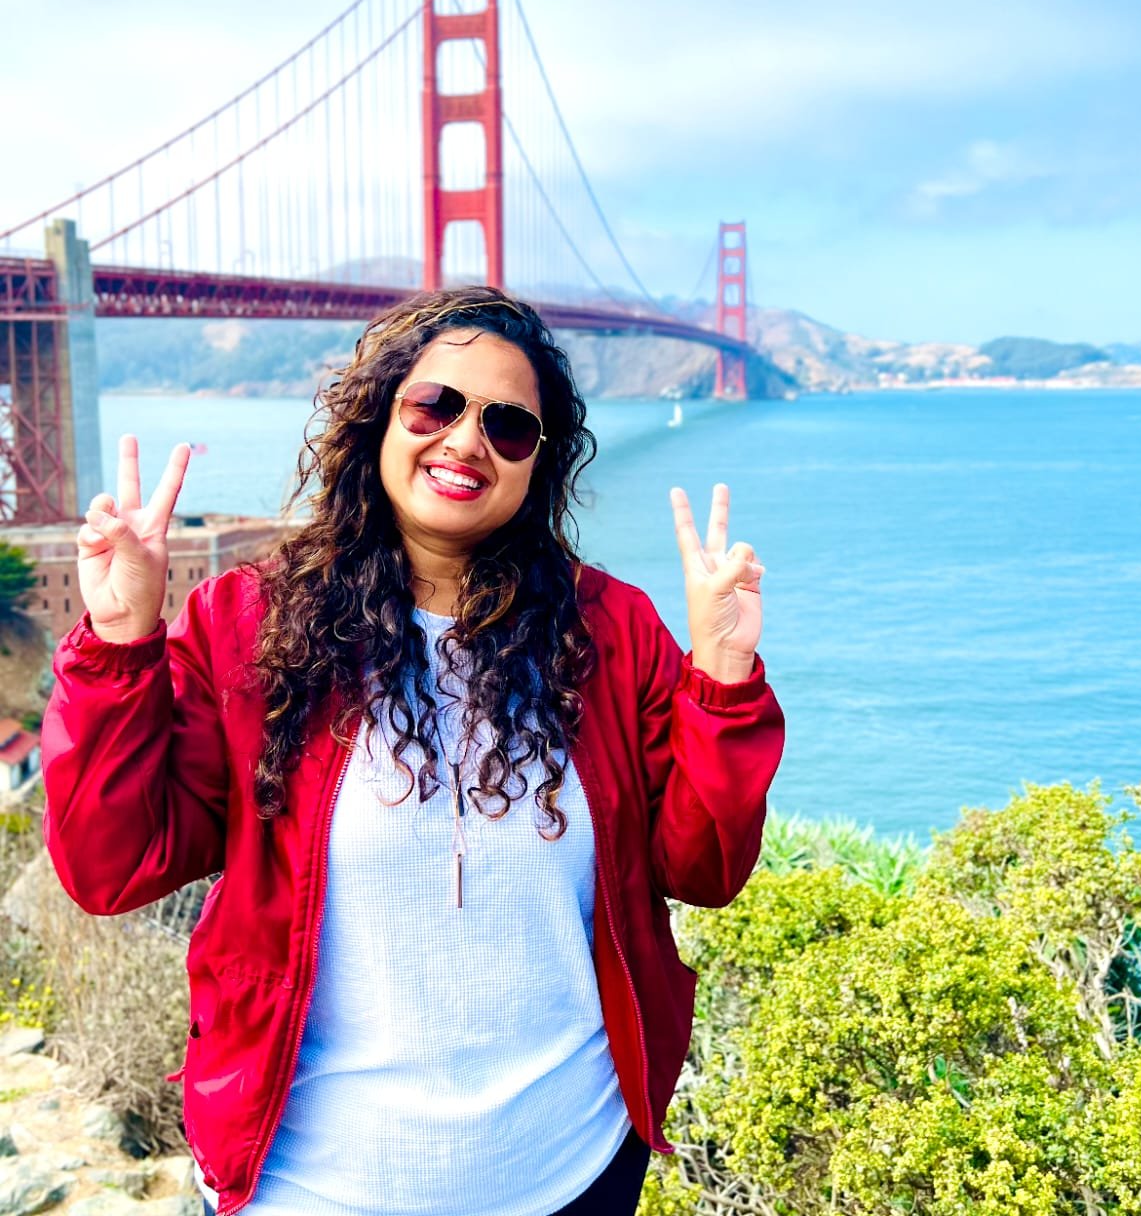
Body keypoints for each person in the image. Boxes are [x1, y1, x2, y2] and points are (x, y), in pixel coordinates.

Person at [41, 286, 785, 1216]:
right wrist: (119, 643)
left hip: (574, 1170)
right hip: (310, 1186)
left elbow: (703, 868)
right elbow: (111, 869)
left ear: (539, 461)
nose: (467, 441)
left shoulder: (611, 631)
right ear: (378, 419)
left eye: (508, 426)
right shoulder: (248, 625)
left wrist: (722, 676)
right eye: (435, 405)